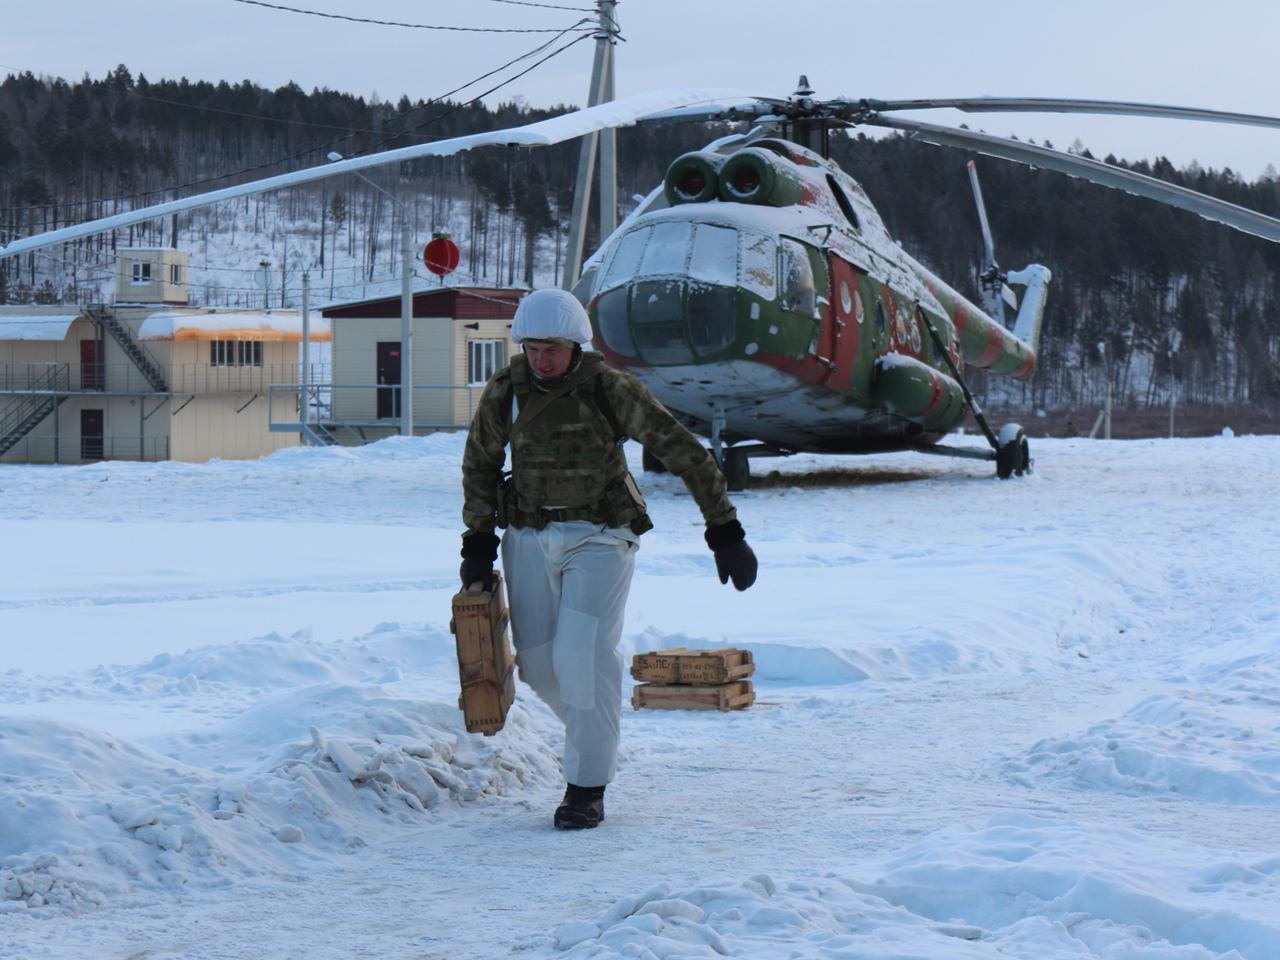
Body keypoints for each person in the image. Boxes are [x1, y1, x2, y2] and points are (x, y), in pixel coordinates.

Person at [459, 288, 757, 830]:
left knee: (584, 655)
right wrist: (477, 543)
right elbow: (479, 464)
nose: (542, 359)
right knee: (541, 668)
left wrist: (725, 529)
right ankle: (592, 734)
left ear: (575, 345)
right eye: (532, 348)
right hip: (527, 535)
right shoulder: (506, 390)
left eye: (552, 348)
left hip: (601, 536)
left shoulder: (609, 389)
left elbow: (683, 451)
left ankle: (585, 788)